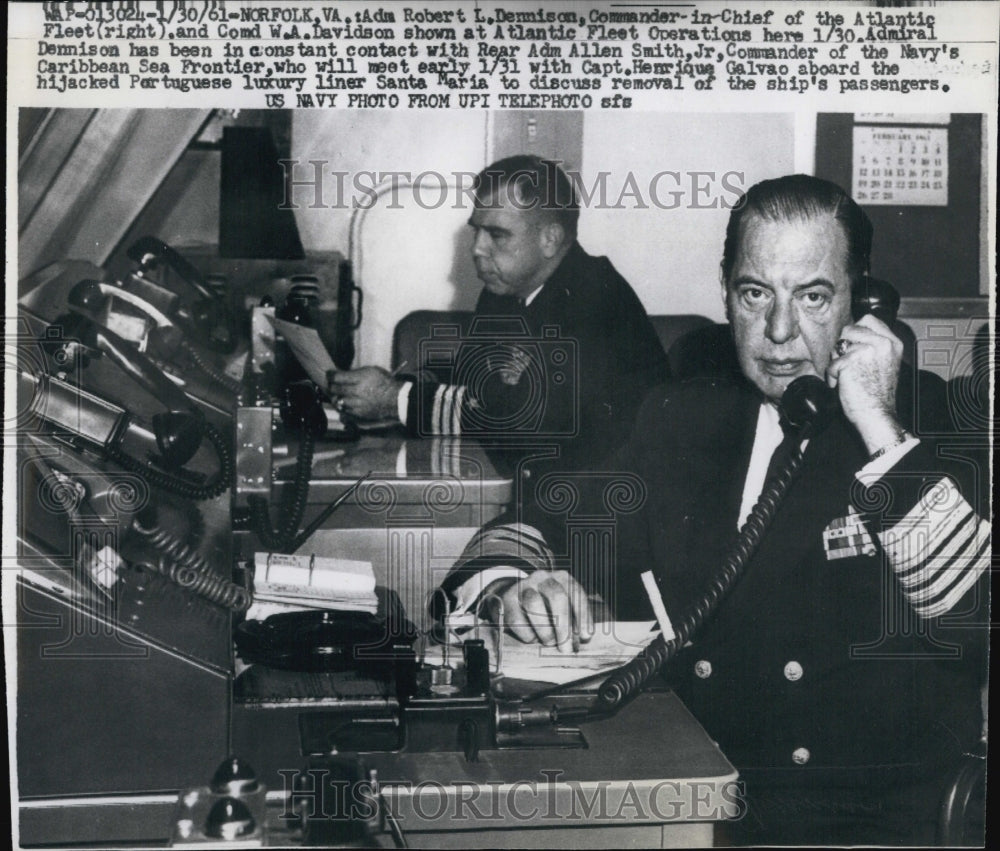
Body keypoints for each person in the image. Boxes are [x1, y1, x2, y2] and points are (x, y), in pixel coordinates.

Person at [437, 175, 989, 845]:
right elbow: (537, 520)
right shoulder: (683, 416)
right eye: (756, 293)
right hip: (695, 793)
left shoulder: (932, 421)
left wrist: (879, 425)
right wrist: (511, 588)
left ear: (859, 301)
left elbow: (973, 618)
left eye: (813, 296)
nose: (780, 331)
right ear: (726, 293)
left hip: (862, 820)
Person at [329, 155, 668, 471]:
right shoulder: (506, 291)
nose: (477, 248)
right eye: (476, 230)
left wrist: (396, 401)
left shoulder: (596, 299)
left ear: (550, 239)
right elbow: (471, 381)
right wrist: (392, 386)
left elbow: (526, 417)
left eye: (497, 234)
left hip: (609, 503)